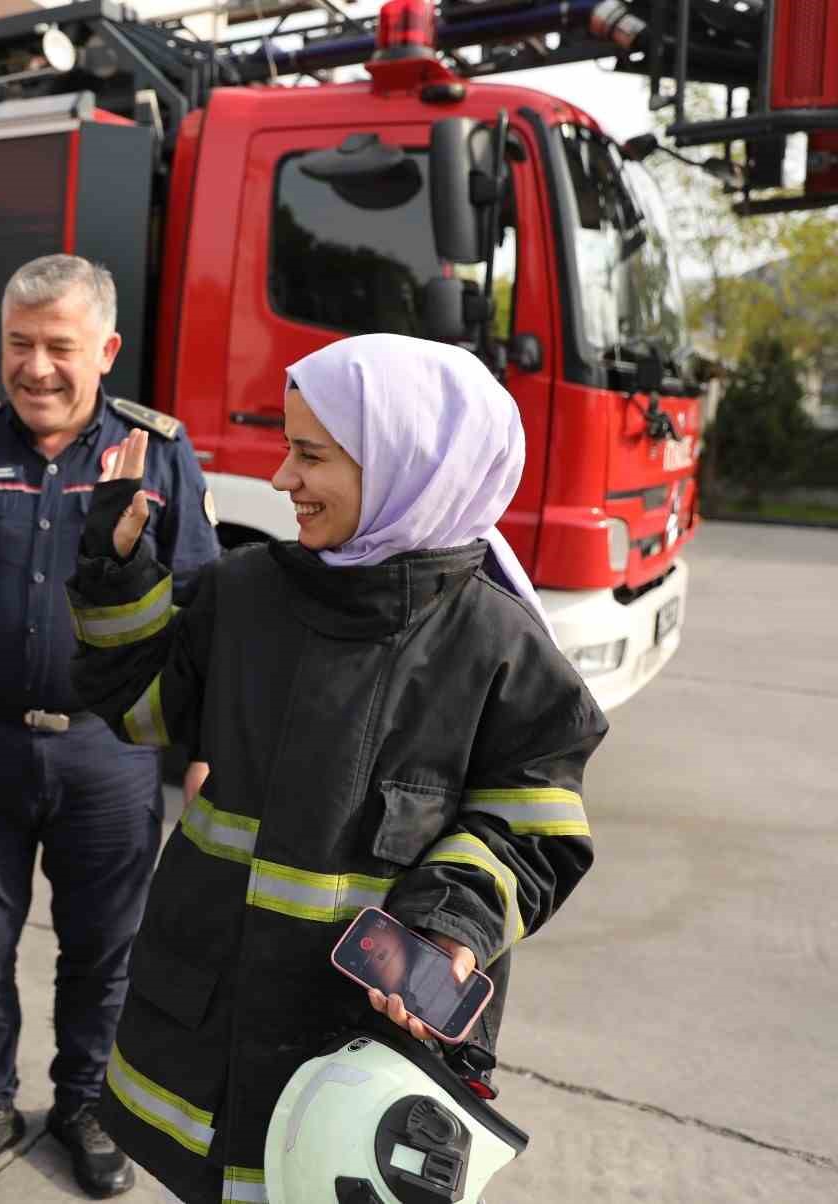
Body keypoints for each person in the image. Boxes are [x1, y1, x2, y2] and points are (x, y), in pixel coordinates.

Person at [66, 333, 606, 1204]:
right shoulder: (243, 595)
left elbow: (534, 833)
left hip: (366, 1048)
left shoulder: (502, 649)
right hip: (212, 1029)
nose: (282, 479)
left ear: (408, 464)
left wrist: (449, 926)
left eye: (310, 454)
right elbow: (140, 709)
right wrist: (115, 578)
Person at [0, 254, 221, 1201]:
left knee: (103, 948)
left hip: (110, 754)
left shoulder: (157, 453)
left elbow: (201, 610)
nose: (37, 368)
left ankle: (85, 1104)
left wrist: (209, 747)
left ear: (105, 349)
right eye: (19, 344)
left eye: (60, 346)